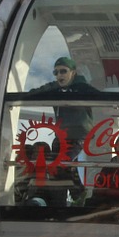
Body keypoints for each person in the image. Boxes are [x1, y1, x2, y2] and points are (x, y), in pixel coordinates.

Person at [29, 56, 101, 204]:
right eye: (56, 72)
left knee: (63, 162)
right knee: (59, 166)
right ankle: (72, 197)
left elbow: (100, 96)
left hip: (80, 134)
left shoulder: (82, 87)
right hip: (61, 135)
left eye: (63, 71)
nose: (59, 75)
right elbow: (35, 92)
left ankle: (72, 196)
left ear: (73, 72)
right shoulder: (55, 88)